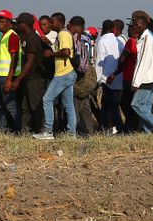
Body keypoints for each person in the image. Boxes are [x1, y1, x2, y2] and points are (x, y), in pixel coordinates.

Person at [34, 12, 76, 140]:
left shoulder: (63, 34)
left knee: (47, 99)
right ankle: (71, 134)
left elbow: (66, 52)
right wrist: (51, 44)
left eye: (52, 22)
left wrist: (50, 54)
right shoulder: (62, 34)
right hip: (68, 73)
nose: (51, 24)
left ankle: (48, 131)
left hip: (63, 73)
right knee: (68, 105)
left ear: (59, 22)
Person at [130, 13, 153, 133]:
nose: (134, 26)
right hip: (151, 77)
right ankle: (148, 132)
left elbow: (142, 62)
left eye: (136, 24)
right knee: (145, 106)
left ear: (144, 25)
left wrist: (135, 82)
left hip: (147, 78)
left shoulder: (146, 38)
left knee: (136, 104)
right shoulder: (144, 37)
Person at [9, 13, 46, 133]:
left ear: (26, 24)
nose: (17, 25)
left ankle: (41, 131)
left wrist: (17, 80)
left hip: (35, 78)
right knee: (26, 106)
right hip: (27, 78)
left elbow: (30, 61)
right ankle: (25, 132)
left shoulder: (32, 38)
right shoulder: (24, 37)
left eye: (19, 23)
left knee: (35, 106)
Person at [0, 10, 22, 132]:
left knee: (10, 106)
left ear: (10, 23)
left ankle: (19, 131)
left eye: (3, 21)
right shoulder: (4, 36)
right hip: (0, 76)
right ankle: (1, 130)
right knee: (1, 105)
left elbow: (14, 58)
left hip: (7, 77)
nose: (0, 24)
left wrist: (9, 80)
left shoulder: (12, 36)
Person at [68, 16, 96, 136]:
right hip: (87, 78)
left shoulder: (75, 39)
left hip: (79, 77)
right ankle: (89, 132)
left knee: (75, 108)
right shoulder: (86, 39)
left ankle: (75, 132)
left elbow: (79, 62)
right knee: (85, 108)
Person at [97, 19, 125, 135]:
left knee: (109, 106)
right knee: (112, 105)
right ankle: (112, 128)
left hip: (107, 78)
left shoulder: (102, 41)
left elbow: (99, 62)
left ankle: (115, 128)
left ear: (103, 29)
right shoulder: (119, 41)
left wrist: (98, 80)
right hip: (118, 77)